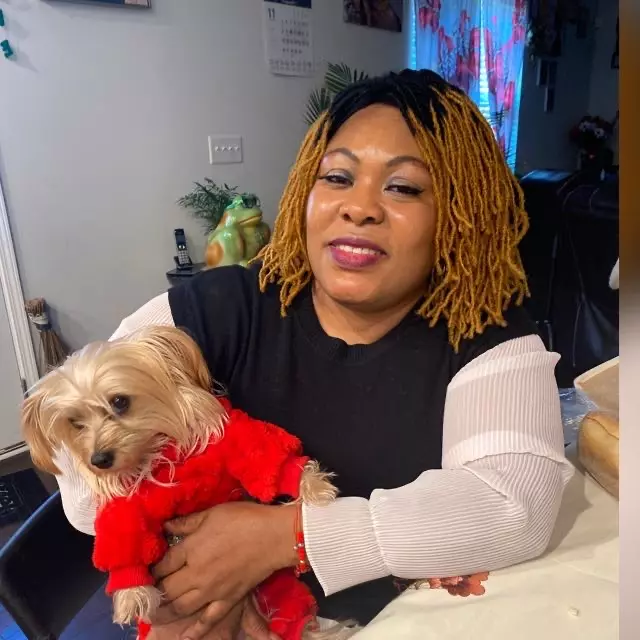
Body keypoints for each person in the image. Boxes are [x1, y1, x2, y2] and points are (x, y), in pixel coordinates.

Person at [54, 69, 573, 640]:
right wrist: (183, 558)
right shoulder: (218, 308)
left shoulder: (486, 337)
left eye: (403, 187)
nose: (360, 207)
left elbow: (514, 507)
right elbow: (78, 472)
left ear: (458, 211)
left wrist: (285, 536)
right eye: (338, 177)